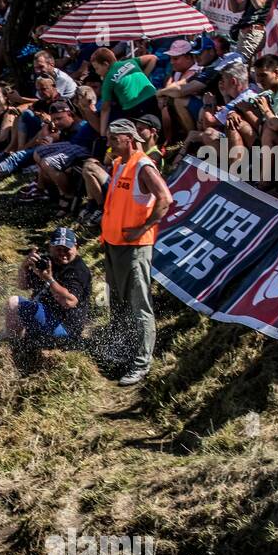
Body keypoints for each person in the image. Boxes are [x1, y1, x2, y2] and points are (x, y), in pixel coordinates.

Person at [100, 119, 173, 385]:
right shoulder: (119, 164)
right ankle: (121, 350)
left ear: (129, 139)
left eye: (113, 139)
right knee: (118, 302)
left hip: (134, 248)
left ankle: (141, 363)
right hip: (113, 244)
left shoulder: (143, 165)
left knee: (139, 305)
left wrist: (144, 227)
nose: (109, 144)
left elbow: (165, 198)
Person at [5, 228, 92, 347]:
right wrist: (24, 267)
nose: (62, 253)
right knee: (12, 303)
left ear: (76, 247)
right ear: (50, 247)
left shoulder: (78, 270)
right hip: (46, 318)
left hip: (65, 330)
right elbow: (22, 285)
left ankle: (17, 346)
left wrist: (49, 279)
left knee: (15, 305)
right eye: (58, 249)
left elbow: (69, 302)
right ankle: (15, 345)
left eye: (67, 249)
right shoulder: (45, 262)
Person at [93, 47, 159, 138]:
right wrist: (144, 75)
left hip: (134, 107)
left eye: (97, 68)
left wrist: (102, 132)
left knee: (140, 135)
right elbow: (153, 58)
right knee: (157, 126)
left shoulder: (108, 79)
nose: (96, 72)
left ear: (105, 64)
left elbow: (105, 108)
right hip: (153, 97)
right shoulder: (131, 62)